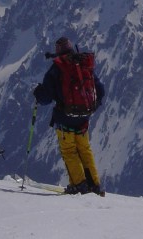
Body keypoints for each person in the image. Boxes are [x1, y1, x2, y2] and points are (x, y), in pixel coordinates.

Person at [33, 36, 105, 195]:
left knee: (69, 151)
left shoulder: (57, 69)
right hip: (84, 117)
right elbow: (100, 89)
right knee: (85, 149)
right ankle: (95, 185)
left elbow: (45, 98)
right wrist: (93, 106)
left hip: (65, 117)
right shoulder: (83, 64)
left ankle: (79, 184)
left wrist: (37, 92)